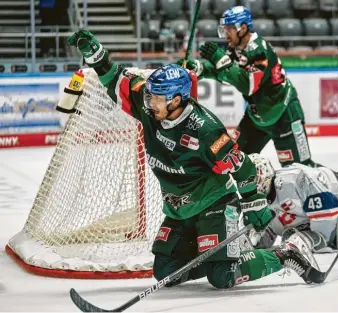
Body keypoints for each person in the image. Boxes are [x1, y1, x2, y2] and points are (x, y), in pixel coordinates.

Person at [66, 30, 321, 288]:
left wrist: (254, 205)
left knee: (223, 276)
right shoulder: (150, 108)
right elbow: (116, 79)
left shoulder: (205, 130)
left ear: (176, 100)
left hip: (215, 205)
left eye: (155, 98)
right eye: (149, 96)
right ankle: (218, 255)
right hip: (178, 209)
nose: (149, 102)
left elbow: (242, 166)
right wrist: (95, 54)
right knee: (165, 272)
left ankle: (286, 254)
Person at [178, 6, 320, 168]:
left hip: (284, 114)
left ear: (243, 28)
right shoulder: (235, 49)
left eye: (230, 29)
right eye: (224, 30)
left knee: (300, 169)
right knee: (232, 160)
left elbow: (248, 85)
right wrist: (197, 68)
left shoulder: (259, 49)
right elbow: (225, 75)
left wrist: (220, 59)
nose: (226, 34)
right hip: (257, 116)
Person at [242, 154, 338, 253]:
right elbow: (267, 236)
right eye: (246, 181)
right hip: (317, 219)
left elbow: (327, 203)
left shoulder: (293, 180)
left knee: (297, 242)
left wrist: (317, 239)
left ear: (266, 172)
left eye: (254, 178)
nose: (250, 185)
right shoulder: (255, 203)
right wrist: (253, 243)